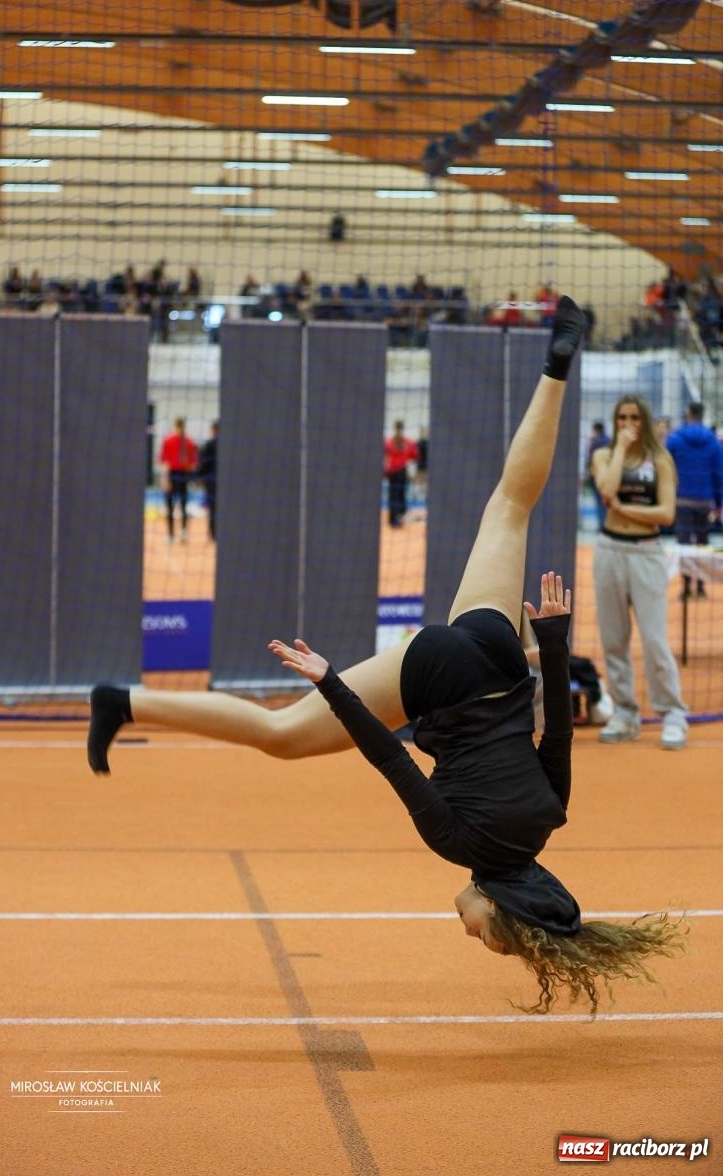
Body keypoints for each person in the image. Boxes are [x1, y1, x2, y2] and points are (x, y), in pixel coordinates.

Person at [88, 298, 684, 1014]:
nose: (472, 935)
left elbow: (555, 728)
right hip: (436, 674)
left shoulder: (548, 817)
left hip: (500, 659)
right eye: (488, 936)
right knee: (281, 735)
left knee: (509, 505)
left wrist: (551, 645)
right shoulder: (457, 842)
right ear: (499, 905)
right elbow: (389, 755)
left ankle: (557, 362)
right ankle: (122, 701)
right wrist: (332, 684)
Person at [591, 394, 689, 749]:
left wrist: (624, 510)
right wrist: (619, 449)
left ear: (644, 421)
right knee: (613, 638)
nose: (628, 424)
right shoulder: (603, 455)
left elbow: (666, 514)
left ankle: (673, 712)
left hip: (647, 553)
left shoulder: (660, 459)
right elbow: (606, 489)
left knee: (653, 639)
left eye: (634, 417)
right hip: (608, 550)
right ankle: (625, 712)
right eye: (621, 418)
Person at [666, 402, 723, 600]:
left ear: (688, 413)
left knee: (683, 546)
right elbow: (719, 474)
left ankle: (686, 588)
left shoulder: (675, 440)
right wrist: (719, 503)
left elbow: (665, 468)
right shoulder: (714, 443)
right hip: (704, 501)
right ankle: (700, 588)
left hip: (681, 499)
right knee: (702, 545)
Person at [159, 417, 198, 544]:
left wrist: (165, 479)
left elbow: (165, 462)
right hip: (184, 475)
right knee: (183, 504)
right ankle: (183, 532)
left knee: (171, 506)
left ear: (174, 425)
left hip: (173, 474)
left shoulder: (169, 440)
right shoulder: (190, 441)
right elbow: (193, 464)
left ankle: (171, 535)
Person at [384, 420, 418, 528]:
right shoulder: (404, 442)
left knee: (396, 496)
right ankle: (396, 519)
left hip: (396, 472)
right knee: (398, 496)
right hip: (398, 472)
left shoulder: (392, 442)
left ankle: (395, 519)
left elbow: (414, 454)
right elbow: (414, 455)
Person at [585, 421, 611, 530]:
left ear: (595, 430)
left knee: (599, 502)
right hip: (609, 476)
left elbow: (590, 461)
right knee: (607, 502)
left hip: (596, 477)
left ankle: (601, 526)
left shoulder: (594, 442)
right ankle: (608, 525)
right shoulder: (609, 441)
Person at [196, 419, 218, 542]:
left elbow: (203, 463)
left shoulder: (209, 444)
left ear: (213, 429)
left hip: (212, 481)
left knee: (213, 508)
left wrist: (199, 477)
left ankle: (214, 533)